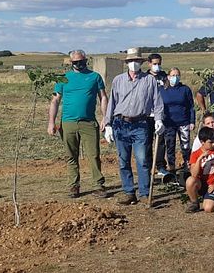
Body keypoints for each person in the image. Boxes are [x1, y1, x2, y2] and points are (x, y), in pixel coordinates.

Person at [104, 47, 164, 206]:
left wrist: (159, 119)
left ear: (141, 63)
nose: (134, 64)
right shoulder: (118, 80)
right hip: (121, 123)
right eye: (131, 61)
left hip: (140, 124)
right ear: (127, 63)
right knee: (123, 160)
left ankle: (144, 193)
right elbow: (112, 102)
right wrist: (108, 124)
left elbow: (157, 102)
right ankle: (129, 192)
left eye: (137, 61)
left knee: (142, 159)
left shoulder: (149, 80)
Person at [49, 49, 108, 198]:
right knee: (71, 156)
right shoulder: (63, 78)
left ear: (86, 60)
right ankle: (73, 186)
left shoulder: (95, 77)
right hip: (68, 122)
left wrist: (105, 117)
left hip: (88, 122)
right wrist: (51, 122)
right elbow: (55, 100)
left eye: (81, 61)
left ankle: (98, 185)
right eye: (75, 62)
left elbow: (103, 97)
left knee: (93, 155)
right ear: (71, 63)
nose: (79, 64)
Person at [157, 67, 195, 177]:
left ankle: (187, 165)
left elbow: (191, 106)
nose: (175, 77)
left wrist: (192, 121)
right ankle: (172, 168)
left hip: (183, 122)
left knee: (185, 145)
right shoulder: (162, 90)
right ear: (168, 77)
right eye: (173, 75)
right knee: (170, 146)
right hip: (168, 123)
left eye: (177, 75)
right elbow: (158, 106)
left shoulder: (185, 89)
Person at [185, 126, 214, 213]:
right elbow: (194, 174)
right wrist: (199, 159)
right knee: (190, 180)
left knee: (208, 209)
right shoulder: (195, 154)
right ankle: (194, 203)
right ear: (202, 142)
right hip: (202, 183)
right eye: (210, 142)